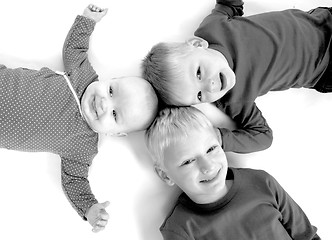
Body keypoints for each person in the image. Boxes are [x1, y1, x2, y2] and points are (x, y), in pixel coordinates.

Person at [0, 4, 158, 232]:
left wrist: (89, 208)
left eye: (115, 114)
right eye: (112, 91)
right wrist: (88, 21)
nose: (104, 103)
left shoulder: (83, 146)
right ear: (110, 79)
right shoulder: (83, 76)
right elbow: (75, 48)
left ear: (115, 133)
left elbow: (74, 181)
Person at [142, 0, 332, 153]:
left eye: (199, 73)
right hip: (326, 69)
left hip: (323, 20)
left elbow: (230, 5)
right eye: (199, 96)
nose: (210, 86)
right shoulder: (234, 101)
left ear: (198, 44)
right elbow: (263, 137)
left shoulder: (213, 29)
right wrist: (217, 138)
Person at [145, 106, 320, 240]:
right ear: (166, 175)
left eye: (211, 149)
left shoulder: (261, 182)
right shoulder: (180, 229)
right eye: (188, 161)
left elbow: (306, 235)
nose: (208, 166)